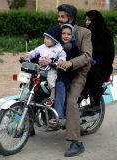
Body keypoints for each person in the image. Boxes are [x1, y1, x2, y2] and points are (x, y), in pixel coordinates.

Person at [39, 4, 92, 157]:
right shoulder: (57, 31)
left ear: (71, 18)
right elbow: (46, 46)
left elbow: (87, 55)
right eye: (58, 16)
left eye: (62, 16)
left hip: (77, 73)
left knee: (71, 101)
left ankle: (76, 142)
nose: (59, 19)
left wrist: (70, 63)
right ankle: (28, 125)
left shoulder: (85, 33)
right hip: (57, 70)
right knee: (35, 86)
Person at [22, 26, 66, 107]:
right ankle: (25, 91)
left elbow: (62, 58)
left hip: (51, 69)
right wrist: (28, 55)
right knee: (29, 71)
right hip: (41, 68)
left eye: (47, 38)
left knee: (51, 78)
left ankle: (52, 97)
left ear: (55, 40)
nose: (45, 40)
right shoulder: (43, 46)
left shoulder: (59, 49)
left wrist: (59, 62)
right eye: (44, 38)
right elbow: (35, 51)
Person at [84, 10, 115, 109]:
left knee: (93, 75)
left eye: (89, 20)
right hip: (88, 63)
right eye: (86, 20)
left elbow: (107, 55)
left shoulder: (105, 35)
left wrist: (94, 61)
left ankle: (96, 103)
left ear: (96, 20)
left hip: (102, 66)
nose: (87, 22)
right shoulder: (88, 34)